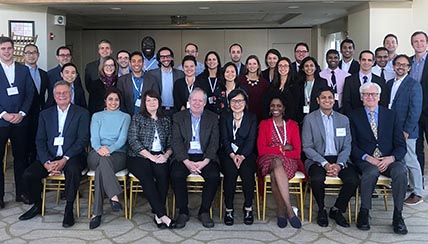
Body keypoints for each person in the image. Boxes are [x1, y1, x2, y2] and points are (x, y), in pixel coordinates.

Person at [19, 81, 89, 228]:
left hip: (73, 156)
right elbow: (40, 140)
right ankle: (38, 205)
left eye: (65, 93)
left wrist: (65, 159)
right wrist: (46, 162)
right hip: (49, 157)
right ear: (54, 95)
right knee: (28, 174)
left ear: (70, 94)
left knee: (73, 170)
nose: (61, 95)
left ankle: (69, 209)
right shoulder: (45, 114)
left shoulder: (82, 113)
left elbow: (82, 140)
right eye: (58, 93)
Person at [349, 82, 408, 235]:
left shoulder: (391, 115)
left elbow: (401, 146)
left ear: (379, 97)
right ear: (362, 97)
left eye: (374, 94)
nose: (370, 97)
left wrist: (391, 158)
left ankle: (398, 215)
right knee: (371, 173)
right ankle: (364, 212)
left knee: (401, 171)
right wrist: (367, 158)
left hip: (388, 159)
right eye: (367, 94)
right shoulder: (353, 116)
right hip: (366, 160)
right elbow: (351, 145)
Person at [302, 86, 359, 228]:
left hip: (339, 158)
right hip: (317, 158)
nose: (327, 100)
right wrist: (325, 163)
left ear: (334, 100)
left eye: (329, 97)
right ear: (318, 100)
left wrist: (339, 164)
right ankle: (321, 209)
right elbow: (307, 147)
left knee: (353, 180)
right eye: (323, 98)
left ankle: (337, 209)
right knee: (316, 179)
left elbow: (347, 146)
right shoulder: (309, 119)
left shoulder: (343, 119)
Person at [171, 88, 220, 229]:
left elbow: (214, 142)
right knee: (176, 174)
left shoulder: (212, 118)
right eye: (194, 100)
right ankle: (183, 211)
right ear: (189, 101)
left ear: (205, 103)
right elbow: (176, 142)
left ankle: (204, 211)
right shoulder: (178, 117)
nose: (197, 103)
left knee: (213, 176)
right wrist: (187, 162)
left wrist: (204, 162)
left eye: (200, 100)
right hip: (185, 156)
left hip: (205, 156)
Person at [127, 90, 175, 229]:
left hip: (160, 154)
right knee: (147, 177)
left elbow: (172, 141)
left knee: (163, 175)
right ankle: (162, 214)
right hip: (138, 156)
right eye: (148, 100)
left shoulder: (165, 119)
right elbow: (133, 140)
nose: (151, 103)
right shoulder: (137, 118)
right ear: (144, 103)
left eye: (154, 100)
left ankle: (157, 214)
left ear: (159, 102)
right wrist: (151, 157)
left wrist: (165, 156)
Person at [257, 95, 303, 229]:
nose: (275, 108)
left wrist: (274, 149)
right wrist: (282, 148)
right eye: (273, 106)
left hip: (289, 160)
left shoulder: (293, 125)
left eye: (278, 106)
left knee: (275, 175)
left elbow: (297, 152)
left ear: (284, 108)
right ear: (269, 109)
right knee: (276, 162)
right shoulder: (264, 124)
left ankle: (281, 211)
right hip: (267, 159)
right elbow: (261, 150)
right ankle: (289, 209)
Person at [87, 88, 131, 229]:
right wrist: (101, 149)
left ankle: (96, 213)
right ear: (105, 101)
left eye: (116, 99)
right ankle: (114, 196)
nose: (113, 102)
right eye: (110, 99)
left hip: (118, 154)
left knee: (102, 167)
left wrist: (109, 149)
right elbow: (94, 139)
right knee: (103, 161)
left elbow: (122, 139)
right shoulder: (97, 116)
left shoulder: (126, 117)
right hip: (96, 152)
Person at [0, 37, 34, 208]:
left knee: (21, 159)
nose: (7, 51)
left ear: (14, 50)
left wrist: (22, 113)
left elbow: (30, 93)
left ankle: (22, 193)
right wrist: (3, 114)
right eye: (3, 48)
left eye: (9, 48)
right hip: (1, 122)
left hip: (20, 121)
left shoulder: (23, 70)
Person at [387, 54, 423, 205]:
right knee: (398, 159)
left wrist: (407, 130)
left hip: (406, 130)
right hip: (392, 129)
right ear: (394, 66)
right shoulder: (389, 83)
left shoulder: (414, 85)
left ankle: (418, 192)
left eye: (404, 65)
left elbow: (415, 111)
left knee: (410, 159)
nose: (401, 67)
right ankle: (401, 185)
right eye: (398, 64)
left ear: (409, 68)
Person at [220, 89, 257, 226]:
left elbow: (251, 140)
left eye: (240, 101)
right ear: (229, 103)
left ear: (245, 102)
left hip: (246, 154)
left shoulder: (251, 117)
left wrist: (241, 156)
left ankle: (248, 207)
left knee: (247, 174)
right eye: (234, 101)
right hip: (228, 154)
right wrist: (232, 155)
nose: (237, 104)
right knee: (230, 173)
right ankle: (229, 209)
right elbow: (224, 139)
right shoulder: (224, 116)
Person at [23, 44, 49, 164]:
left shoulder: (44, 74)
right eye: (28, 53)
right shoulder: (19, 73)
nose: (31, 55)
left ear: (38, 55)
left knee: (38, 144)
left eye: (34, 52)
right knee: (25, 148)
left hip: (40, 115)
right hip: (24, 116)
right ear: (24, 55)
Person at [342, 50, 388, 116]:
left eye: (369, 60)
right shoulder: (349, 80)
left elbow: (383, 102)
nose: (366, 62)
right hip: (354, 119)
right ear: (359, 61)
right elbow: (346, 102)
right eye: (364, 60)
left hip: (374, 118)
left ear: (373, 62)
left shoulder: (381, 81)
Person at [409, 31, 428, 178]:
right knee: (416, 148)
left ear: (426, 43)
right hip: (413, 113)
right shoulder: (408, 62)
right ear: (412, 44)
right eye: (416, 41)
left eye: (422, 41)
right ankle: (419, 180)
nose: (419, 44)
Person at [117, 51, 159, 115]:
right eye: (133, 61)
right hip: (127, 116)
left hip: (147, 116)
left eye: (139, 61)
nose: (136, 64)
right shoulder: (122, 80)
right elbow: (120, 100)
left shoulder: (152, 79)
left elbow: (156, 98)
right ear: (130, 63)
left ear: (143, 63)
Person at [147, 47, 184, 116]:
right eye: (162, 57)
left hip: (176, 110)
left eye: (168, 56)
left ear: (172, 58)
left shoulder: (180, 74)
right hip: (158, 111)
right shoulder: (152, 74)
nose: (165, 59)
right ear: (159, 59)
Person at [294, 56, 328, 125]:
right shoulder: (298, 83)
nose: (309, 68)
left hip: (317, 118)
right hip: (301, 119)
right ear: (303, 68)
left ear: (315, 68)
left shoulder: (322, 82)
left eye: (311, 65)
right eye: (306, 66)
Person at [239, 55, 269, 122]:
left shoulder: (265, 83)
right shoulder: (240, 80)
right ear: (246, 66)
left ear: (258, 66)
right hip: (243, 117)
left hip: (260, 117)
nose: (252, 66)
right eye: (249, 64)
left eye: (254, 64)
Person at [85, 39, 113, 108]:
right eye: (102, 48)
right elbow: (88, 86)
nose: (104, 50)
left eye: (107, 48)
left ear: (111, 51)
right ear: (99, 51)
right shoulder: (90, 66)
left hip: (113, 104)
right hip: (96, 104)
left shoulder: (116, 66)